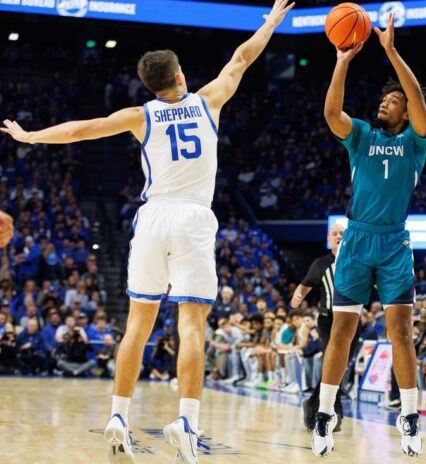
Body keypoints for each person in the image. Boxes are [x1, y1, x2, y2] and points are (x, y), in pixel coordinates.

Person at [1, 2, 293, 462]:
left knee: (137, 325)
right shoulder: (208, 100)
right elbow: (242, 58)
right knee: (191, 324)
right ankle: (187, 422)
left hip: (154, 216)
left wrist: (32, 136)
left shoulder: (142, 115)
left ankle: (118, 415)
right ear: (180, 76)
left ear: (151, 85)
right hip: (193, 218)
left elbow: (83, 130)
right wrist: (271, 22)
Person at [312, 12, 426, 458]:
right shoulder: (361, 134)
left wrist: (391, 52)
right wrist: (342, 61)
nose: (386, 103)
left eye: (394, 101)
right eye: (384, 99)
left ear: (406, 110)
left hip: (394, 243)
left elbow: (417, 98)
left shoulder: (416, 141)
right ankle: (324, 414)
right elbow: (331, 113)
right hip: (358, 241)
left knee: (400, 332)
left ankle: (410, 417)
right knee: (341, 331)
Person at [291, 223, 359, 432]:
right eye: (335, 233)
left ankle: (315, 404)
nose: (339, 236)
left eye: (342, 233)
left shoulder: (358, 261)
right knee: (334, 363)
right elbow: (306, 284)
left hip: (353, 319)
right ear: (329, 239)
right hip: (328, 319)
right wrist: (297, 296)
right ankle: (332, 411)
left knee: (340, 366)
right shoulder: (321, 263)